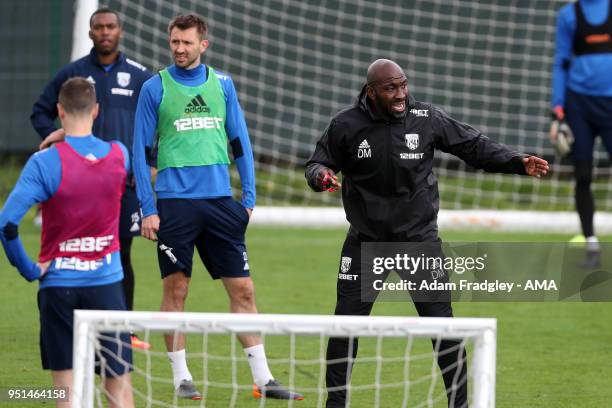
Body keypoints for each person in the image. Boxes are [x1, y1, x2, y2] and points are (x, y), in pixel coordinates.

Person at [305, 59, 549, 408]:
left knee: (442, 328)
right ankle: (335, 403)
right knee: (345, 326)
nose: (401, 94)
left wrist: (516, 162)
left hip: (419, 242)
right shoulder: (346, 125)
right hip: (365, 243)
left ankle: (459, 404)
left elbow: (473, 146)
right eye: (391, 88)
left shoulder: (426, 117)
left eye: (403, 85)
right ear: (371, 91)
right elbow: (317, 161)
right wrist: (320, 176)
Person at [132, 13, 303, 401]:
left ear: (203, 45)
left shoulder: (223, 85)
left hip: (221, 204)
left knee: (243, 290)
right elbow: (140, 153)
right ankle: (181, 377)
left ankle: (264, 380)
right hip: (174, 205)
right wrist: (148, 207)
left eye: (186, 42)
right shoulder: (154, 88)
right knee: (177, 290)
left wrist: (248, 202)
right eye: (174, 41)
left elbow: (240, 143)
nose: (179, 49)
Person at [0, 77, 134, 408]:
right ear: (97, 111)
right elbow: (94, 155)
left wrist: (30, 270)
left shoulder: (43, 163)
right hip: (107, 284)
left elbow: (6, 224)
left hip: (58, 286)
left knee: (65, 394)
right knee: (118, 388)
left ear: (59, 111)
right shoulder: (120, 155)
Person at [30, 8, 153, 347]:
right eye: (98, 27)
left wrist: (152, 162)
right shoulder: (73, 74)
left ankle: (121, 328)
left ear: (121, 31)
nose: (104, 32)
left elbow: (156, 123)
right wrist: (56, 135)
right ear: (89, 32)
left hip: (124, 184)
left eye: (110, 27)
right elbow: (40, 111)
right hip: (81, 184)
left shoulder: (141, 76)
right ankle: (74, 323)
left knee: (120, 252)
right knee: (79, 250)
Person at [550, 0, 612, 268]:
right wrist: (557, 110)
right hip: (579, 105)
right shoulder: (568, 15)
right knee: (583, 174)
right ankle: (591, 244)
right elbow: (561, 62)